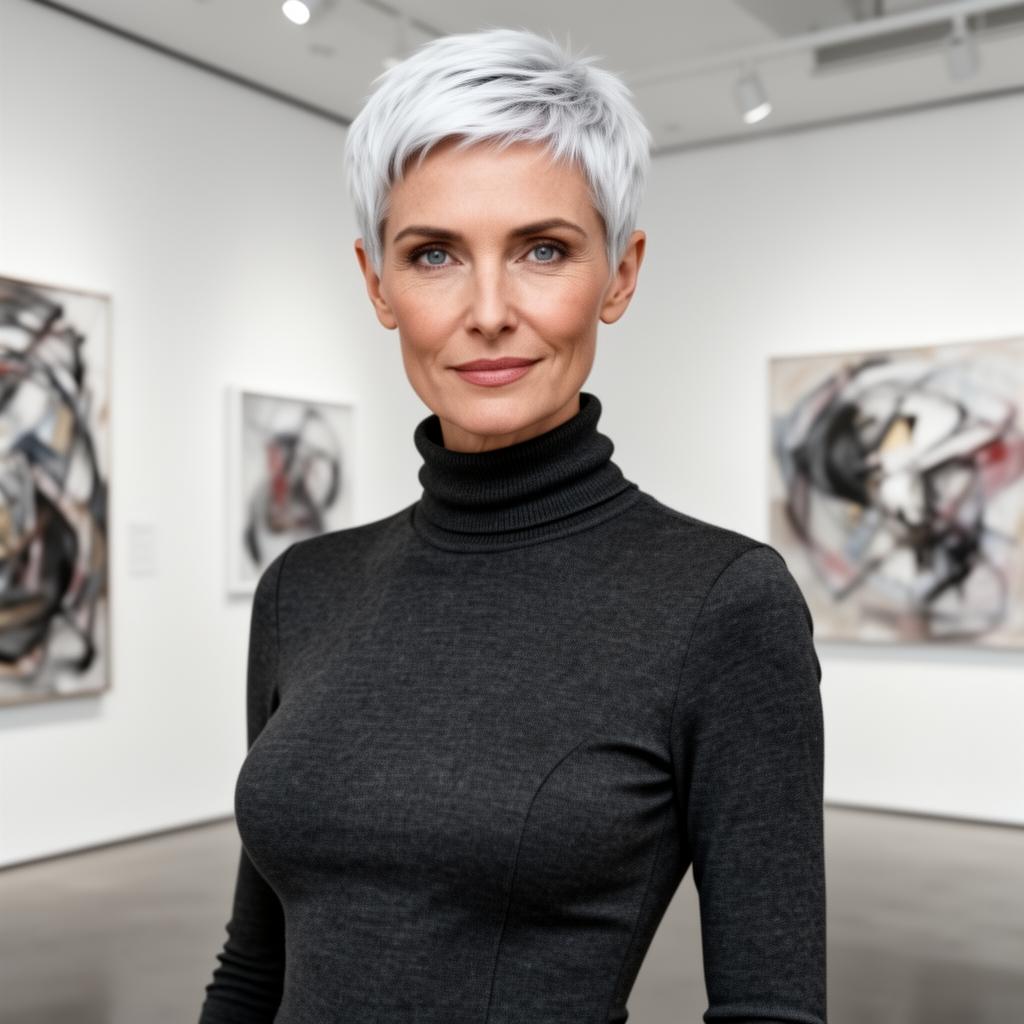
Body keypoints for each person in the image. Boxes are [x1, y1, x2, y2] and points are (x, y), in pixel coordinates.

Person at [198, 26, 826, 1024]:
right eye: (435, 253)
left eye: (542, 249)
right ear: (377, 284)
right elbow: (252, 969)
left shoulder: (722, 605)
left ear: (619, 274)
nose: (488, 310)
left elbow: (769, 1007)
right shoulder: (302, 588)